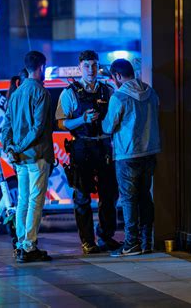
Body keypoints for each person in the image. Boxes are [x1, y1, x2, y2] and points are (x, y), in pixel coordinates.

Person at [55, 50, 121, 254]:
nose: (91, 70)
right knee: (82, 196)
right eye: (86, 66)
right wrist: (82, 120)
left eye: (94, 65)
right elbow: (61, 122)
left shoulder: (107, 91)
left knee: (109, 195)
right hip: (82, 146)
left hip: (103, 146)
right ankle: (87, 241)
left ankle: (105, 236)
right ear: (79, 67)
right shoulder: (70, 93)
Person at [102, 59, 161, 257]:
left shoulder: (118, 97)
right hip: (150, 152)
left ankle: (131, 243)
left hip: (127, 155)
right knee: (145, 196)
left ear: (118, 76)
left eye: (113, 78)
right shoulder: (151, 92)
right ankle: (147, 241)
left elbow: (108, 126)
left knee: (128, 199)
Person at [2, 51, 54, 263]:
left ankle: (21, 242)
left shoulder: (15, 94)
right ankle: (30, 246)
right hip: (36, 155)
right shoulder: (41, 93)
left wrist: (10, 148)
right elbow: (38, 128)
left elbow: (6, 125)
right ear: (40, 67)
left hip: (19, 158)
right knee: (35, 201)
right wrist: (20, 147)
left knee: (23, 200)